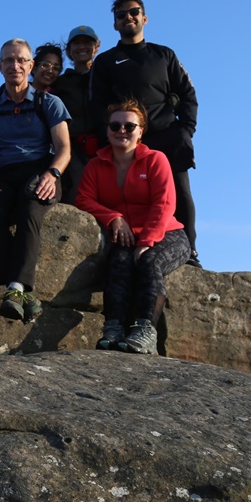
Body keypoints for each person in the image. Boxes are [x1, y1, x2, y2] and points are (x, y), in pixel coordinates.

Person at [90, 0, 200, 267]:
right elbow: (96, 104)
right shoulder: (105, 61)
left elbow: (187, 95)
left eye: (134, 12)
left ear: (144, 17)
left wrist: (185, 130)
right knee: (125, 197)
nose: (128, 17)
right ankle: (123, 249)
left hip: (166, 135)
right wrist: (110, 137)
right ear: (114, 24)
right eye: (121, 15)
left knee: (179, 193)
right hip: (125, 139)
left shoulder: (164, 55)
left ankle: (189, 251)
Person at [0, 39, 71, 323]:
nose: (15, 65)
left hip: (41, 169)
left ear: (30, 66)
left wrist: (53, 174)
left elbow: (64, 148)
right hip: (3, 173)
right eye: (8, 61)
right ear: (0, 67)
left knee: (30, 204)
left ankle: (14, 288)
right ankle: (23, 291)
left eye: (20, 60)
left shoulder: (49, 103)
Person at [75, 100, 190, 355]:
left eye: (130, 125)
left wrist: (147, 241)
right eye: (115, 125)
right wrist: (113, 216)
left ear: (141, 131)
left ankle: (145, 330)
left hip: (169, 234)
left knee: (148, 261)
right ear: (107, 130)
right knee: (119, 261)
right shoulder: (96, 165)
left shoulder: (155, 160)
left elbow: (165, 203)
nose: (122, 130)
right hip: (128, 237)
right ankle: (113, 329)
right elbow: (84, 199)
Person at [52, 26, 101, 205]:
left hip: (104, 145)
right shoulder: (61, 83)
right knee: (76, 196)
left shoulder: (105, 75)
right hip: (73, 148)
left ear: (96, 46)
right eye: (76, 43)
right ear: (69, 51)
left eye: (87, 43)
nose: (82, 47)